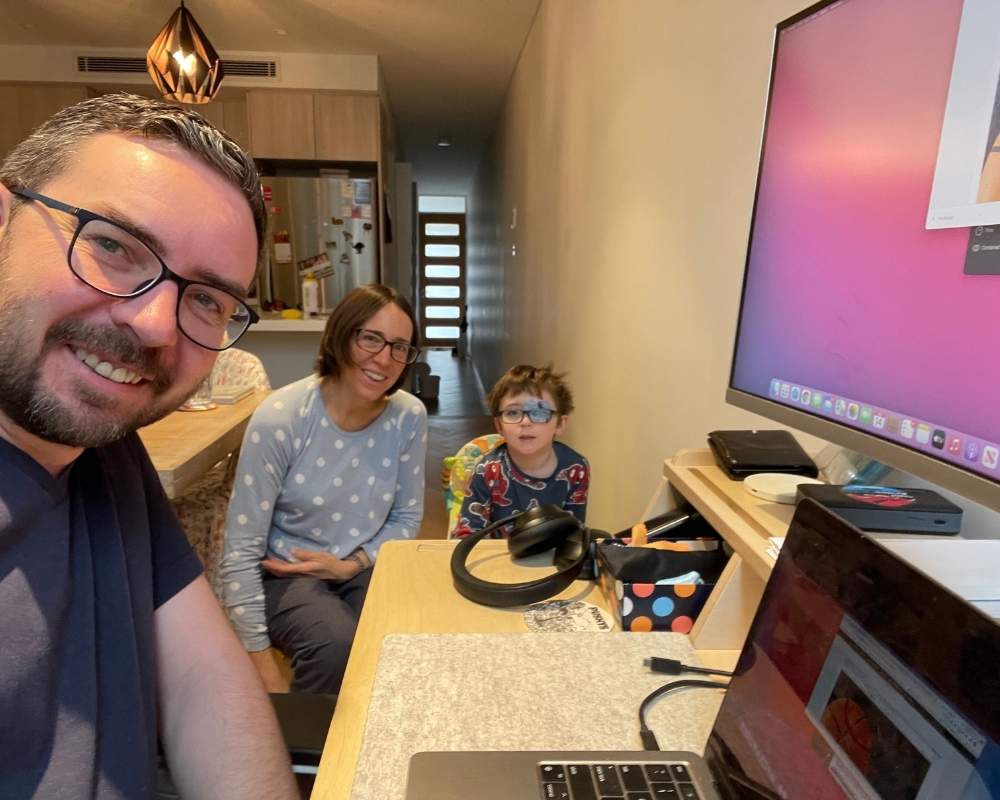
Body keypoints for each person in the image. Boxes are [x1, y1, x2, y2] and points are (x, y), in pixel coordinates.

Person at [0, 94, 297, 798]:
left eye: (206, 300)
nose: (157, 324)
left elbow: (203, 683)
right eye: (112, 245)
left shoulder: (104, 453)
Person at [222, 284, 428, 694]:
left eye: (400, 347)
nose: (384, 359)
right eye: (370, 338)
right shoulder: (281, 418)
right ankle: (308, 750)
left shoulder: (408, 416)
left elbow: (407, 518)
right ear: (340, 335)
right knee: (337, 647)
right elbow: (240, 550)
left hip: (361, 565)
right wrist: (261, 663)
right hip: (284, 575)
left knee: (403, 635)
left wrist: (350, 565)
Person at [451, 364, 589, 538]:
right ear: (499, 425)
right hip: (496, 558)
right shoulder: (486, 471)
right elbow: (467, 537)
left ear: (560, 424)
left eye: (540, 412)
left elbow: (574, 534)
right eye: (513, 412)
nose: (525, 422)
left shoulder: (576, 468)